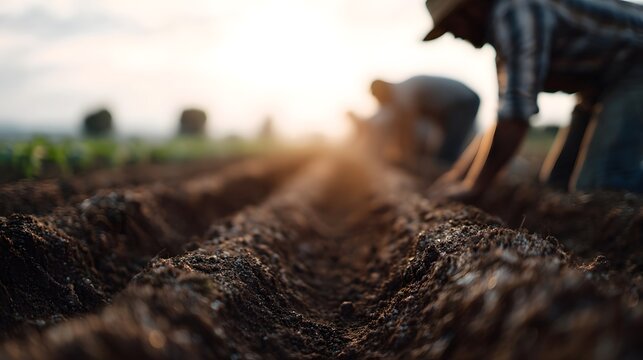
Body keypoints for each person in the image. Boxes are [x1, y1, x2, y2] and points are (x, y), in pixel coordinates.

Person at [424, 0, 643, 200]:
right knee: (557, 182)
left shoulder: (513, 12)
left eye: (451, 26)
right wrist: (457, 176)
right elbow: (503, 117)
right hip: (603, 84)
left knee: (600, 186)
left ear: (470, 8)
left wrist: (474, 186)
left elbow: (515, 117)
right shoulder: (505, 31)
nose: (454, 36)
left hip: (635, 63)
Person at [348, 76, 479, 167]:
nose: (379, 102)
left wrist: (406, 157)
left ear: (383, 89)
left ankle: (448, 182)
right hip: (450, 107)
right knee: (441, 149)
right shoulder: (401, 95)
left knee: (448, 149)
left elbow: (407, 127)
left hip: (464, 102)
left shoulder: (404, 92)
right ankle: (442, 177)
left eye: (377, 97)